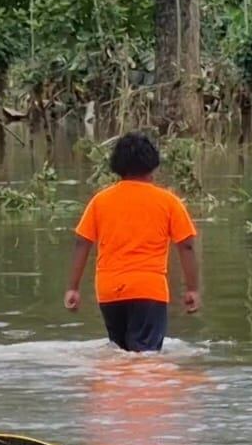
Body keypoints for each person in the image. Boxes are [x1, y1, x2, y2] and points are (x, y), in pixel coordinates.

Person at [64, 132, 201, 352]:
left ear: (117, 166)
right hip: (148, 290)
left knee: (120, 353)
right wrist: (193, 289)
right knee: (145, 361)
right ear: (153, 165)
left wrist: (73, 288)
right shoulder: (168, 202)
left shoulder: (100, 201)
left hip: (109, 291)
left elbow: (82, 242)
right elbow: (186, 245)